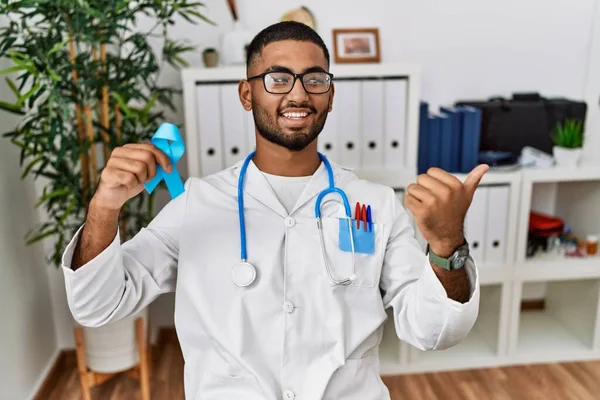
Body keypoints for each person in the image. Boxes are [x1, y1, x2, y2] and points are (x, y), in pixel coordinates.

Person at [61, 21, 488, 400]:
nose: (299, 93)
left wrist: (447, 244)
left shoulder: (374, 204)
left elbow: (434, 330)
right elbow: (98, 305)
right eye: (278, 78)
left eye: (314, 79)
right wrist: (104, 207)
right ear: (248, 94)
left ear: (330, 95)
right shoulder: (197, 203)